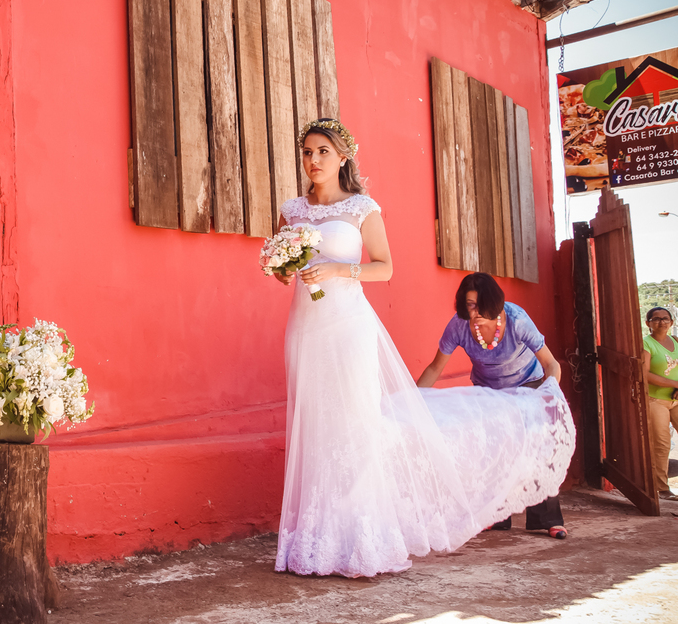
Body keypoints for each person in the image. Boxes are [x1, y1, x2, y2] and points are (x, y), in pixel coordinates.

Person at [271, 118, 575, 577]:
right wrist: (280, 266)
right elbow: (281, 269)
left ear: (343, 157)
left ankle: (360, 536)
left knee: (355, 426)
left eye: (323, 152)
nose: (313, 161)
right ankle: (316, 537)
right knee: (314, 422)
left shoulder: (362, 208)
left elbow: (385, 268)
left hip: (348, 328)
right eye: (308, 153)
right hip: (305, 327)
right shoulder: (292, 210)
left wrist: (335, 271)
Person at [416, 273, 568, 537]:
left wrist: (549, 394)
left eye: (478, 305)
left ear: (494, 303)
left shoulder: (517, 320)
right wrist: (412, 400)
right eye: (469, 305)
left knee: (539, 448)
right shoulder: (460, 326)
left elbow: (551, 364)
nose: (473, 312)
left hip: (528, 387)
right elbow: (435, 367)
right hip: (488, 393)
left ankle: (547, 519)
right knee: (495, 450)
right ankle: (497, 516)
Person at [643, 306, 678, 501]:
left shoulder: (675, 341)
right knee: (662, 444)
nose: (661, 322)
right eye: (655, 319)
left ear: (671, 322)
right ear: (648, 323)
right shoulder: (646, 344)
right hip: (656, 400)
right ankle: (662, 489)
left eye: (665, 318)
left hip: (676, 399)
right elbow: (645, 374)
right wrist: (675, 383)